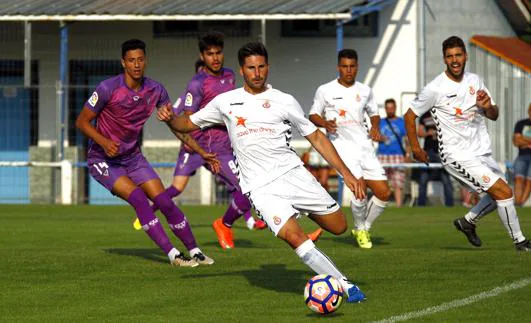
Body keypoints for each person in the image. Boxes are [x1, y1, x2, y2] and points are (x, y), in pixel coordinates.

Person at [158, 42, 367, 302]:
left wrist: (346, 173)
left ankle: (300, 210)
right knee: (294, 237)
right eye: (250, 68)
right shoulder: (226, 102)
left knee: (339, 226)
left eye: (261, 67)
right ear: (242, 71)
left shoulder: (284, 100)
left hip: (294, 175)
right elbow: (186, 123)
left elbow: (317, 137)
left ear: (267, 67)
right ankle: (345, 285)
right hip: (260, 188)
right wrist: (169, 118)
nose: (257, 73)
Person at [75, 39, 214, 266]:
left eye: (140, 59)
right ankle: (173, 255)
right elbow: (81, 121)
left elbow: (176, 126)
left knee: (166, 202)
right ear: (123, 62)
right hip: (103, 159)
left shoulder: (156, 90)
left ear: (145, 60)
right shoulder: (107, 88)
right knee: (139, 198)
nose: (136, 65)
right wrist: (103, 141)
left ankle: (195, 251)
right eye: (131, 60)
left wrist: (201, 150)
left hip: (133, 157)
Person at [404, 36, 531, 251]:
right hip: (457, 155)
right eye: (450, 56)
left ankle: (467, 222)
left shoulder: (475, 80)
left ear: (465, 56)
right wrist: (416, 148)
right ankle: (520, 242)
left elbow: (494, 115)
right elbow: (409, 116)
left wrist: (487, 107)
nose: (454, 60)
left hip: (482, 152)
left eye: (458, 55)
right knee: (503, 192)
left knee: (502, 194)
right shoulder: (435, 88)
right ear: (444, 60)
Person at [157, 33, 266, 250]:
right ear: (202, 56)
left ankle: (281, 228)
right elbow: (188, 119)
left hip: (233, 143)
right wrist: (194, 144)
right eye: (210, 54)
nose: (215, 58)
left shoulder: (230, 75)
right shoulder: (197, 84)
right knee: (248, 188)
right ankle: (224, 224)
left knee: (254, 186)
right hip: (212, 147)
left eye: (218, 53)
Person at [309, 49, 391, 249]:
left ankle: (363, 227)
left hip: (364, 147)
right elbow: (313, 115)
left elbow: (374, 113)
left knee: (384, 193)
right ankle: (361, 229)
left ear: (357, 67)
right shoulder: (325, 90)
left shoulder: (365, 91)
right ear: (338, 67)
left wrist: (375, 128)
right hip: (341, 148)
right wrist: (325, 123)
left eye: (352, 66)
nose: (348, 70)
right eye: (344, 66)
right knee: (359, 188)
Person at [416, 111, 454, 206]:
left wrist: (438, 133)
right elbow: (419, 133)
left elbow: (450, 131)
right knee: (423, 179)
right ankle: (421, 206)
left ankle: (450, 206)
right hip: (428, 152)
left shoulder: (443, 113)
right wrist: (428, 133)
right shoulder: (424, 116)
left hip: (442, 152)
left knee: (446, 180)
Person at [377, 98, 410, 207]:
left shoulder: (401, 122)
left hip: (398, 155)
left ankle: (399, 206)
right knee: (381, 184)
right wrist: (379, 137)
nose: (390, 110)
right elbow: (373, 136)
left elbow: (407, 140)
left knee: (398, 184)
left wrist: (408, 155)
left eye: (392, 108)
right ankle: (380, 207)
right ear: (385, 109)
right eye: (388, 108)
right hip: (382, 155)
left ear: (395, 108)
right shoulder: (380, 122)